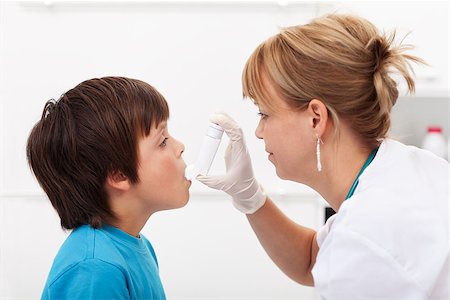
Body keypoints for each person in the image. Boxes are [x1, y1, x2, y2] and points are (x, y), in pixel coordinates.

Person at [198, 14, 449, 299]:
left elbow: (347, 253)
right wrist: (251, 198)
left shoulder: (365, 240)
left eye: (264, 114)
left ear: (316, 118)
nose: (258, 131)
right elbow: (311, 261)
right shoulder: (411, 166)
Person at [26, 76, 190, 299]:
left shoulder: (138, 247)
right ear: (119, 174)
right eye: (162, 141)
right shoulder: (95, 268)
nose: (180, 147)